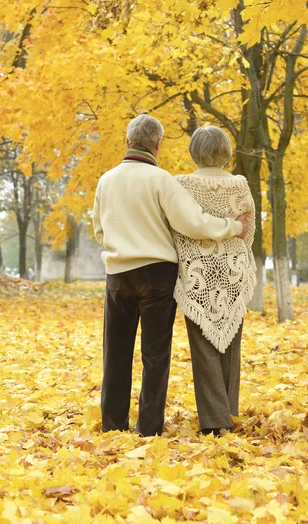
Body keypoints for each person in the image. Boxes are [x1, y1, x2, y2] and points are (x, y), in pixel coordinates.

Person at [92, 115, 248, 437]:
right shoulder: (162, 180)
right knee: (155, 355)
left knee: (116, 353)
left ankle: (112, 426)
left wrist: (120, 245)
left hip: (118, 273)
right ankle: (149, 429)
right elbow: (193, 223)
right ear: (158, 144)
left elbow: (98, 228)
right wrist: (234, 227)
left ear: (127, 142)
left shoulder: (106, 180)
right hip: (157, 275)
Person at [172, 126, 256, 436]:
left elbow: (178, 226)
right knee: (231, 344)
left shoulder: (181, 185)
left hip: (197, 275)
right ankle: (228, 414)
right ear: (226, 152)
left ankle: (213, 419)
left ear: (194, 151)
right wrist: (235, 257)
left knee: (203, 346)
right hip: (232, 271)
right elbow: (249, 230)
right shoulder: (239, 185)